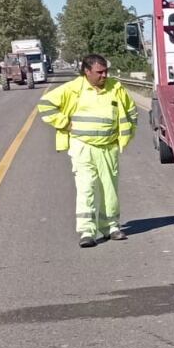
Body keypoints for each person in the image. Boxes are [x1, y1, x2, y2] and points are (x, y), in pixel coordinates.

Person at [36, 54, 136, 247]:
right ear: (87, 72)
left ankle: (111, 227)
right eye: (99, 72)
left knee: (109, 188)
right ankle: (87, 231)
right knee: (86, 187)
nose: (104, 75)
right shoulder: (74, 88)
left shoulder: (115, 88)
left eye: (106, 71)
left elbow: (131, 112)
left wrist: (126, 135)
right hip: (83, 146)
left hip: (108, 147)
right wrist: (64, 123)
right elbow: (45, 105)